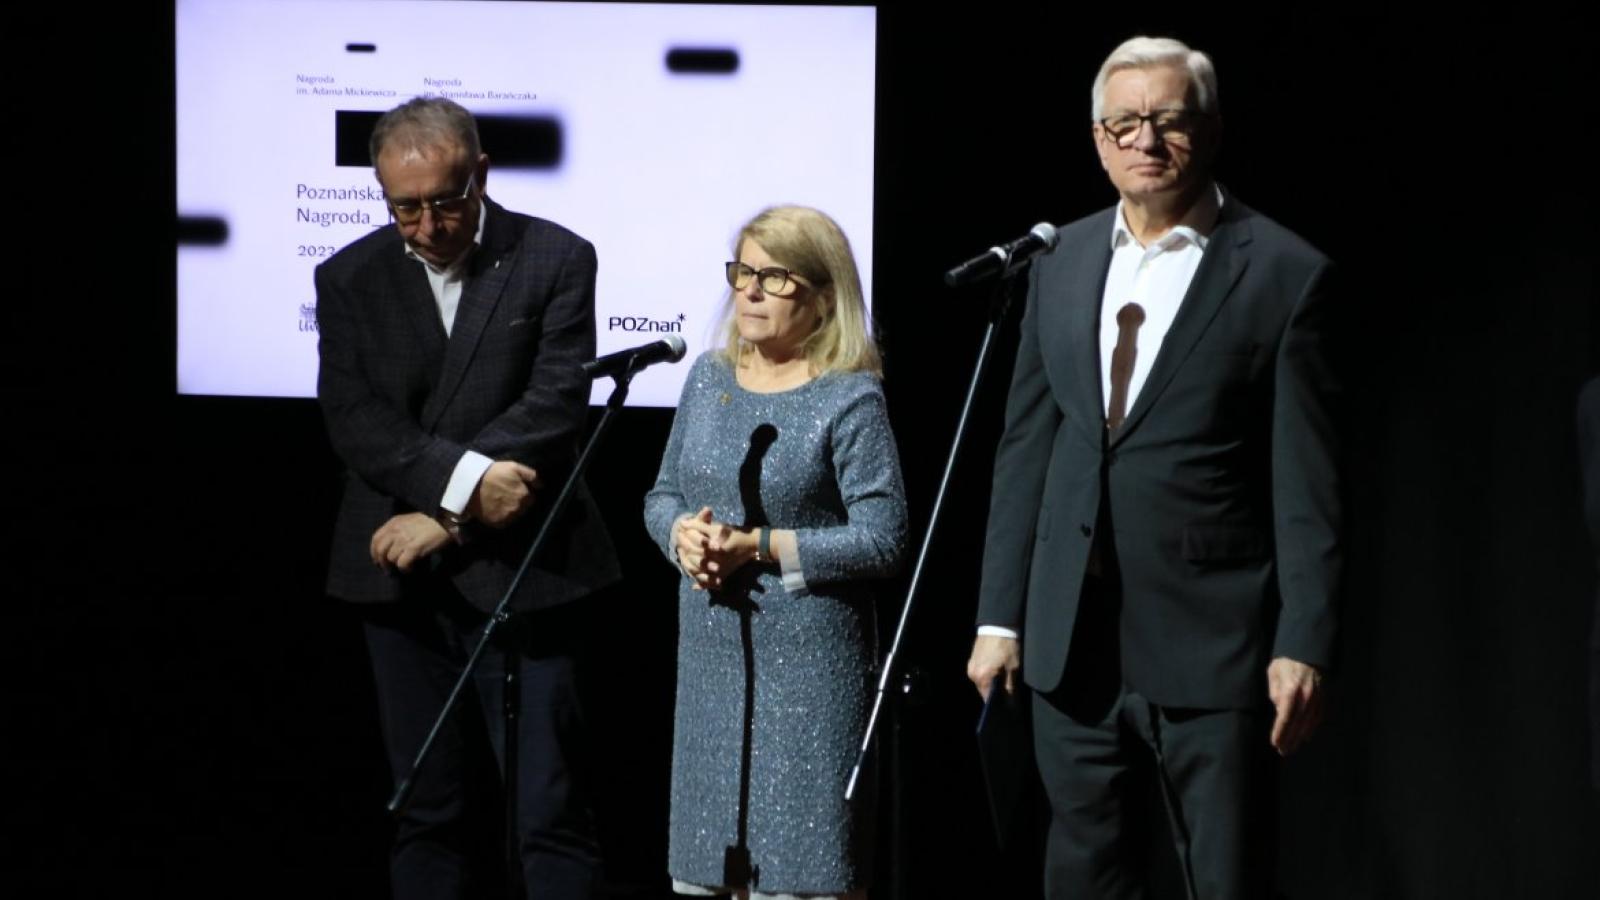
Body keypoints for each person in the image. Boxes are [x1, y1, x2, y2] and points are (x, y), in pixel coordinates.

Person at [965, 37, 1343, 899]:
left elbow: (1310, 485)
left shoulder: (1286, 274)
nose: (1145, 140)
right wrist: (999, 616)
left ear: (1207, 131)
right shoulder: (1056, 262)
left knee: (1226, 877)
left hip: (1214, 644)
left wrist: (1304, 640)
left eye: (1168, 120)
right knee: (1083, 873)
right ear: (1099, 139)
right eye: (1124, 123)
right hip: (1071, 641)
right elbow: (1026, 448)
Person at [316, 96, 620, 899]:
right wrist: (462, 491)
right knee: (426, 812)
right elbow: (355, 421)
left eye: (446, 202)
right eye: (404, 207)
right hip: (397, 579)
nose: (427, 225)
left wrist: (444, 518)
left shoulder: (555, 257)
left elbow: (554, 406)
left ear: (480, 174)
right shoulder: (349, 275)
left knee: (549, 813)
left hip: (530, 570)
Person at [644, 206, 907, 899]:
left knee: (797, 875)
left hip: (811, 674)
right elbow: (662, 493)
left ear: (822, 297)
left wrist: (757, 546)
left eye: (775, 276)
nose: (751, 290)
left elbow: (884, 538)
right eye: (744, 272)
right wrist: (683, 537)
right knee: (708, 871)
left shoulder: (849, 396)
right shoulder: (708, 378)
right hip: (711, 665)